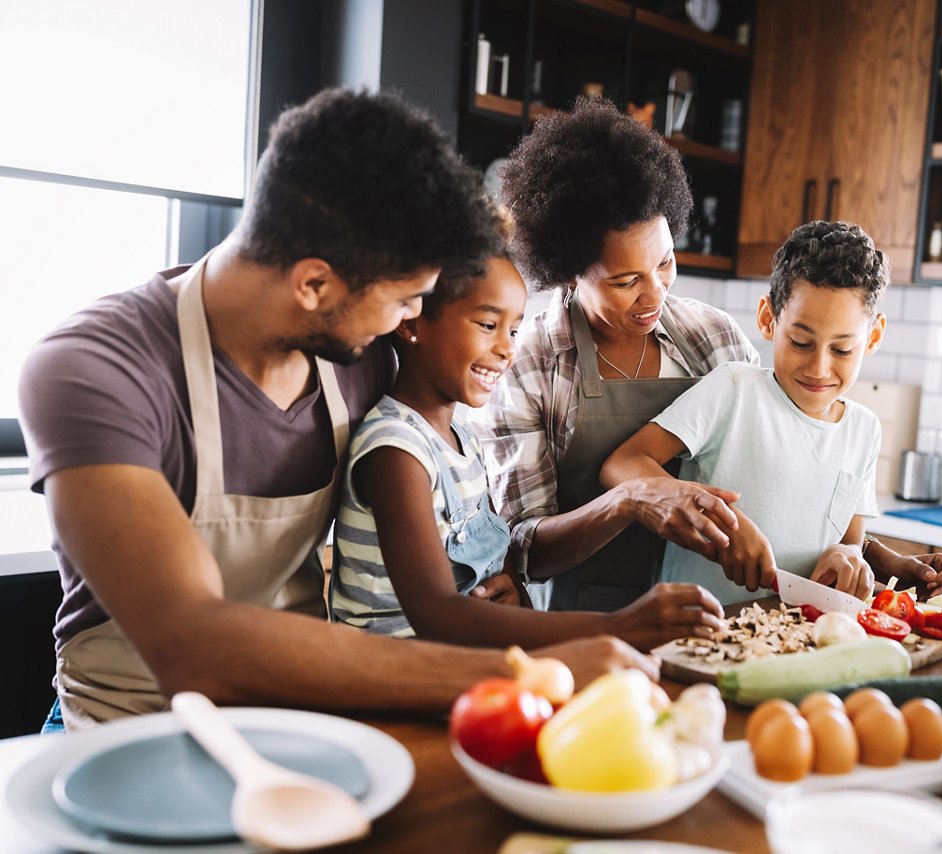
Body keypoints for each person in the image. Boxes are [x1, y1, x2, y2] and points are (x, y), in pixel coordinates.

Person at [18, 89, 654, 732]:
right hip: (126, 725)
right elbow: (192, 646)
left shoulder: (361, 355)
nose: (412, 319)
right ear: (314, 284)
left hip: (297, 717)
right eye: (407, 299)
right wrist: (529, 669)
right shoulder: (91, 371)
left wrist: (490, 583)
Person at [330, 220, 725, 650]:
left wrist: (510, 586)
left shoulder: (460, 438)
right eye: (487, 325)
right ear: (411, 324)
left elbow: (480, 575)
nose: (508, 349)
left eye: (513, 329)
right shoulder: (397, 451)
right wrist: (616, 628)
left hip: (454, 661)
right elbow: (438, 614)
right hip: (392, 674)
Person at [474, 97, 759, 614]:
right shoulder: (529, 362)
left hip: (712, 611)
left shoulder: (713, 339)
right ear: (569, 272)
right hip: (581, 620)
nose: (655, 294)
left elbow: (774, 467)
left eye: (666, 263)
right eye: (627, 281)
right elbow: (524, 548)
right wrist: (629, 501)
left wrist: (862, 548)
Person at [601, 221, 942, 605]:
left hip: (795, 641)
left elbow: (848, 542)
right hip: (696, 632)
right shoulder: (733, 390)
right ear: (768, 319)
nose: (819, 368)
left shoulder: (864, 430)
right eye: (801, 342)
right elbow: (622, 465)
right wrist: (719, 518)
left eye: (841, 350)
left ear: (872, 337)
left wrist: (846, 557)